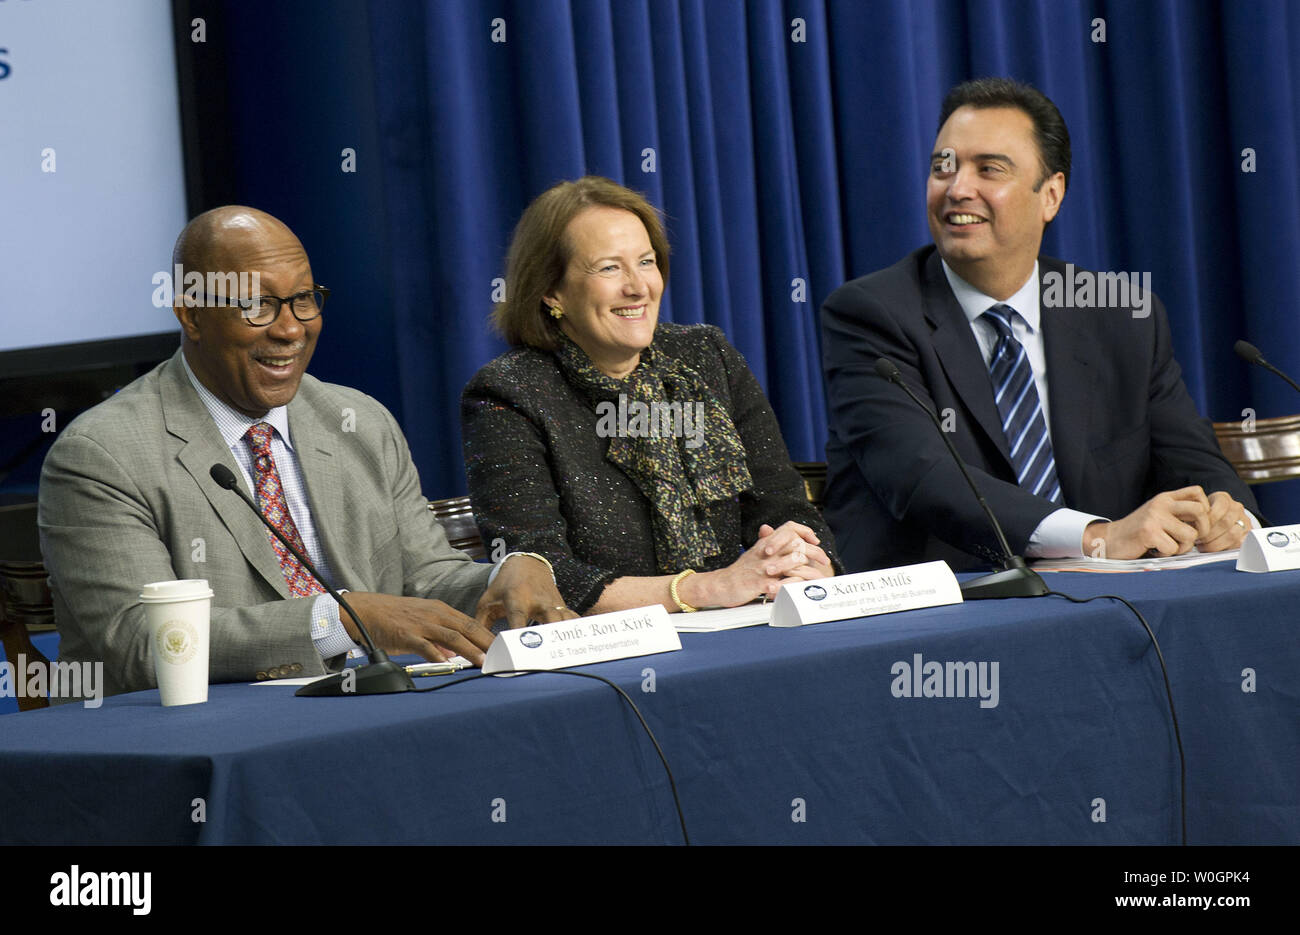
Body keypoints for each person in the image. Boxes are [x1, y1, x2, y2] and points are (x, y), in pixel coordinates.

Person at [39, 206, 573, 699]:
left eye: (303, 299)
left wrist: (506, 575)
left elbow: (428, 581)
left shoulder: (358, 420)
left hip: (369, 711)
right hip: (187, 747)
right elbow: (139, 644)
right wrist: (336, 618)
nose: (291, 328)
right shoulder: (101, 454)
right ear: (192, 314)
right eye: (257, 305)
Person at [821, 78, 1259, 572]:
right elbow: (921, 477)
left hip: (1109, 603)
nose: (958, 188)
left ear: (1050, 195)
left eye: (989, 169)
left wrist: (1226, 513)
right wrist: (1097, 537)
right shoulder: (870, 313)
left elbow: (1191, 459)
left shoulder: (1119, 312)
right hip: (943, 609)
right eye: (943, 167)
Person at [461, 176, 838, 615]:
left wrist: (806, 560)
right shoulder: (509, 394)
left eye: (645, 261)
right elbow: (540, 575)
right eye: (609, 268)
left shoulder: (704, 356)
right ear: (552, 291)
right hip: (608, 656)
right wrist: (706, 589)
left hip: (740, 625)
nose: (638, 286)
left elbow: (784, 504)